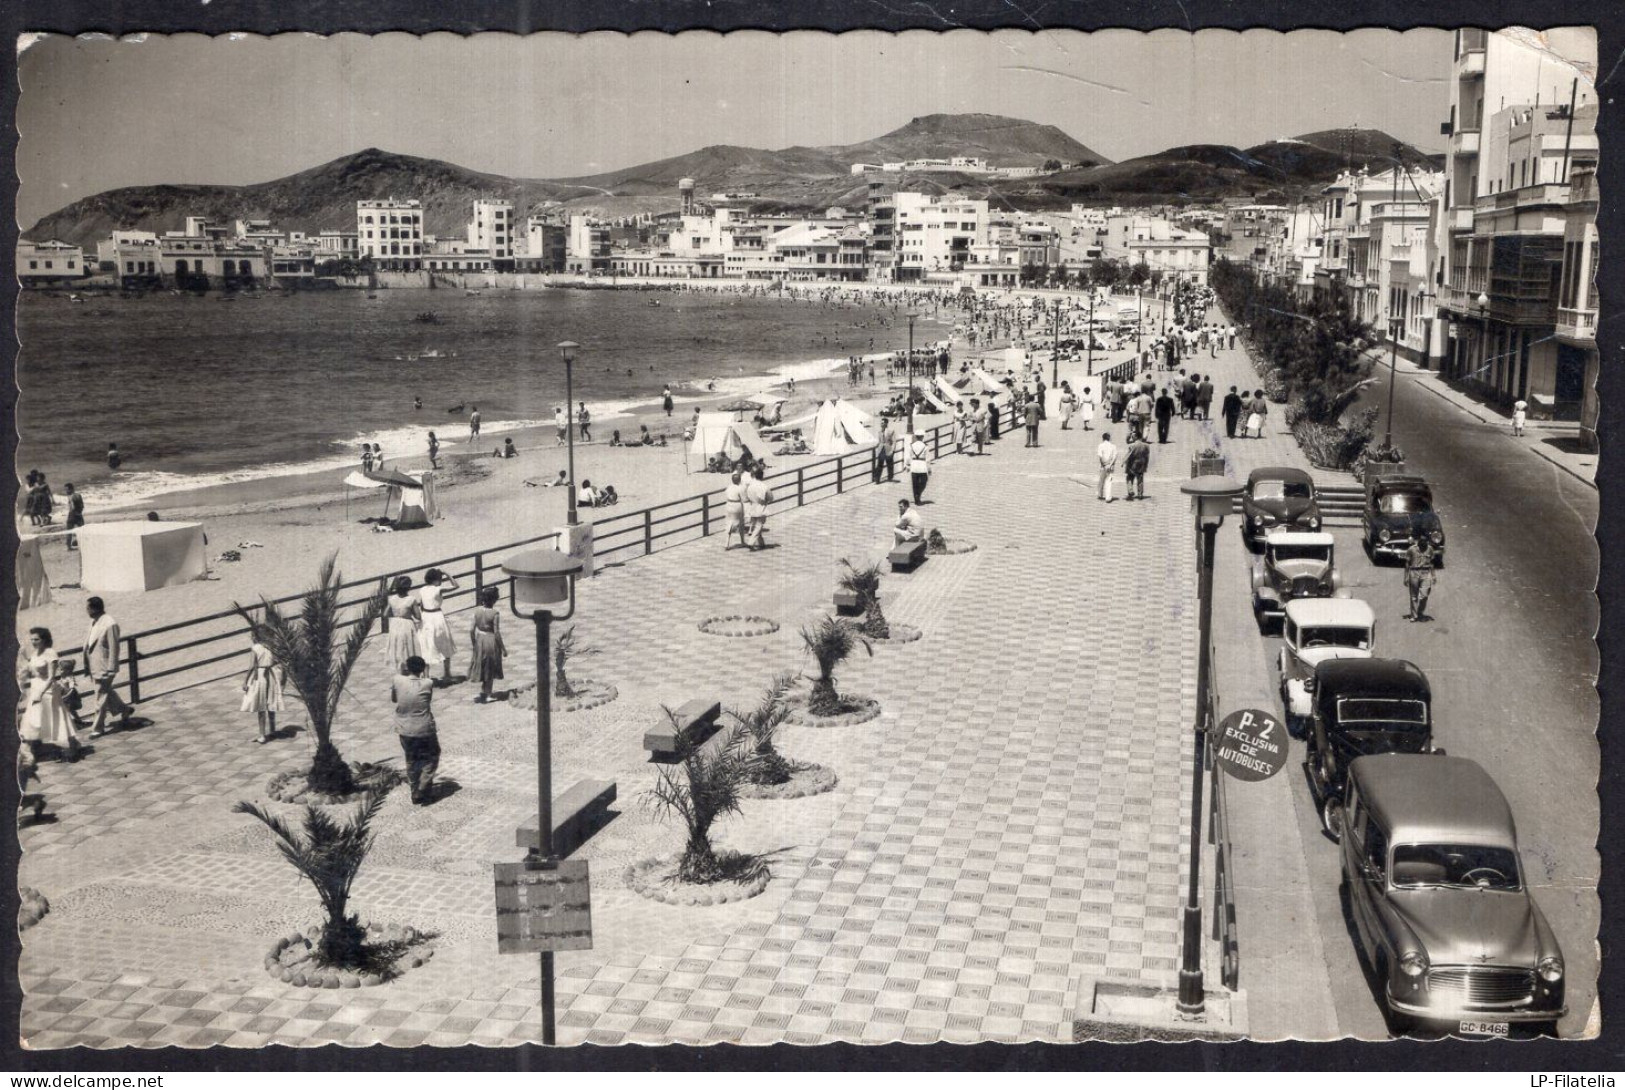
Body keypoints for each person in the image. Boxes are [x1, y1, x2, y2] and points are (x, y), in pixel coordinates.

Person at [21, 627, 84, 763]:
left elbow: (51, 677)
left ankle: (72, 744)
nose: (33, 642)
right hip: (36, 688)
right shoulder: (35, 652)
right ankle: (32, 750)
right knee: (34, 719)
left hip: (48, 690)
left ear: (44, 639)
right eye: (32, 639)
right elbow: (33, 669)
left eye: (36, 639)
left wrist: (40, 693)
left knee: (56, 717)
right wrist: (25, 657)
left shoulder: (51, 653)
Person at [391, 655, 440, 805]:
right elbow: (427, 700)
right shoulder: (428, 683)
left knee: (411, 760)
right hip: (424, 728)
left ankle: (415, 793)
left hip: (405, 729)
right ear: (423, 669)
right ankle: (423, 787)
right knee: (432, 755)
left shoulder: (397, 680)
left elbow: (394, 699)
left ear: (407, 667)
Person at [83, 597, 132, 735]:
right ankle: (124, 709)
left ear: (94, 608)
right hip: (94, 666)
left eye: (87, 608)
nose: (86, 611)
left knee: (100, 697)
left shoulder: (110, 624)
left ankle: (97, 728)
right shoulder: (94, 622)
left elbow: (114, 648)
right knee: (106, 692)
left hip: (104, 667)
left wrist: (112, 668)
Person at [240, 630, 285, 744]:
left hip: (260, 676)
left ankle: (262, 735)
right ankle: (273, 730)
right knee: (271, 703)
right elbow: (277, 661)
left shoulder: (255, 648)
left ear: (255, 636)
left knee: (261, 706)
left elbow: (251, 666)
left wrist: (245, 681)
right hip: (271, 674)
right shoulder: (271, 647)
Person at [417, 569, 459, 683]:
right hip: (437, 617)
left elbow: (421, 604)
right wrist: (447, 573)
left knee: (426, 645)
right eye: (440, 579)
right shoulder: (438, 589)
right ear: (435, 580)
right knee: (445, 642)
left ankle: (426, 675)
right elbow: (456, 585)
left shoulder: (422, 589)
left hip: (426, 617)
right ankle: (447, 673)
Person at [468, 586, 506, 703]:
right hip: (490, 640)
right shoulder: (495, 613)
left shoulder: (477, 611)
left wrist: (474, 643)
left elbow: (471, 629)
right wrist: (503, 648)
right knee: (490, 666)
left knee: (482, 664)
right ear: (494, 600)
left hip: (480, 639)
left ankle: (484, 690)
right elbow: (497, 632)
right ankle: (488, 693)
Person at [384, 576, 421, 673]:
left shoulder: (392, 599)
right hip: (406, 624)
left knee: (397, 647)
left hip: (395, 624)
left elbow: (385, 614)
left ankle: (400, 670)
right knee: (408, 647)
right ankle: (408, 670)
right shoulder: (411, 599)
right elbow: (418, 616)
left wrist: (396, 614)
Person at [1403, 537, 1438, 622]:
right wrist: (1406, 577)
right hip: (1414, 572)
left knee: (1424, 595)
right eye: (1421, 545)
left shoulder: (1430, 549)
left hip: (1425, 573)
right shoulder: (1411, 549)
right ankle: (1414, 615)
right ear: (1418, 544)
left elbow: (1432, 563)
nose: (1423, 547)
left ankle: (1420, 612)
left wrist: (1433, 576)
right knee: (1414, 596)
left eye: (1425, 545)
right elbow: (1407, 563)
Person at [743, 465, 774, 550]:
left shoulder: (750, 486)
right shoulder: (764, 486)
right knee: (759, 526)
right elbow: (770, 497)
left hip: (752, 506)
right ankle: (751, 542)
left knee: (756, 525)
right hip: (761, 507)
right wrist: (766, 500)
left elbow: (746, 497)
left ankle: (761, 543)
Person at [723, 468, 748, 550]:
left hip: (729, 504)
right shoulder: (740, 488)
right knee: (740, 523)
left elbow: (726, 495)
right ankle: (742, 541)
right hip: (737, 505)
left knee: (729, 523)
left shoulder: (729, 487)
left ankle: (726, 543)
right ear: (739, 480)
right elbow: (744, 499)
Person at [1124, 434, 1151, 501]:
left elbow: (1128, 455)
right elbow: (1147, 456)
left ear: (1136, 437)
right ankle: (1140, 494)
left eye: (1133, 436)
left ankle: (1130, 491)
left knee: (1129, 478)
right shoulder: (1146, 446)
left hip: (1132, 465)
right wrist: (1146, 464)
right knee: (1140, 479)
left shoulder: (1132, 445)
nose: (1132, 438)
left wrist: (1124, 462)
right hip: (1141, 464)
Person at [908, 433, 931, 504]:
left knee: (915, 483)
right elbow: (928, 459)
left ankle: (916, 497)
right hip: (922, 466)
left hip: (914, 465)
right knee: (924, 481)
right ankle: (918, 495)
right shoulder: (925, 446)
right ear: (922, 437)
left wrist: (908, 465)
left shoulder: (911, 445)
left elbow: (909, 456)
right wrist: (929, 469)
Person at [872, 417, 897, 483]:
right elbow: (879, 441)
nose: (881, 424)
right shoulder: (879, 431)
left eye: (882, 423)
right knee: (880, 464)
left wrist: (893, 450)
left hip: (888, 449)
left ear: (886, 423)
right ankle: (877, 479)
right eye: (881, 423)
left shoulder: (891, 431)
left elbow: (894, 441)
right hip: (881, 449)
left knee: (890, 464)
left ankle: (890, 477)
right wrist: (876, 445)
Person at [1096, 432, 1118, 502]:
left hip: (1103, 466)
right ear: (1109, 438)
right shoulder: (1113, 446)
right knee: (1108, 481)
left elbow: (1100, 456)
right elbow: (1114, 457)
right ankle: (1108, 497)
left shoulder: (1100, 445)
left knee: (1101, 480)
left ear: (1103, 438)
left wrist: (1104, 464)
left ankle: (1100, 494)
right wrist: (1110, 464)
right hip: (1110, 466)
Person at [63, 483, 84, 550]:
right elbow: (82, 506)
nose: (66, 491)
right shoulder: (78, 495)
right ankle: (83, 543)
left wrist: (72, 512)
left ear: (71, 489)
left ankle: (69, 547)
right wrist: (79, 513)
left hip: (72, 515)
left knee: (69, 531)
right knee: (82, 529)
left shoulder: (70, 497)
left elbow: (73, 507)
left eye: (67, 490)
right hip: (79, 514)